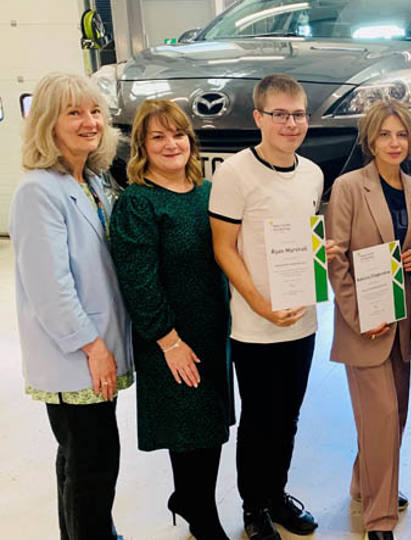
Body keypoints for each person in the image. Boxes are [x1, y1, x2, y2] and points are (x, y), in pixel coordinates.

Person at [209, 74, 337, 540]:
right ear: (259, 117)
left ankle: (277, 495)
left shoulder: (313, 173)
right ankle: (253, 507)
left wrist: (326, 258)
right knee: (261, 419)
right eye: (280, 114)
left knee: (289, 416)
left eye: (298, 114)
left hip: (302, 322)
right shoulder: (234, 173)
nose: (291, 123)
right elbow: (224, 249)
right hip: (255, 326)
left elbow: (303, 243)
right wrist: (261, 306)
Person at [9, 72, 133, 540]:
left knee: (82, 457)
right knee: (93, 463)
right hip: (75, 354)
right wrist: (92, 346)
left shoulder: (92, 180)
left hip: (95, 347)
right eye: (74, 113)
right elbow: (50, 287)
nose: (90, 122)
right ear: (47, 123)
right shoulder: (38, 191)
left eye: (95, 111)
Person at [108, 100, 234, 540]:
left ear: (191, 140)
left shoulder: (208, 193)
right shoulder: (138, 203)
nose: (170, 144)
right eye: (157, 136)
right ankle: (200, 512)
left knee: (212, 427)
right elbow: (138, 282)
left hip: (214, 330)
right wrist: (168, 340)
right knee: (189, 428)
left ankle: (190, 499)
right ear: (141, 145)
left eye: (178, 134)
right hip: (171, 337)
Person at [325, 99, 411, 540]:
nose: (394, 142)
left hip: (402, 320)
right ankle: (380, 519)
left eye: (401, 134)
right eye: (385, 134)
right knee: (381, 416)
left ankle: (365, 483)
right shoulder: (348, 187)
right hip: (364, 324)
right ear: (370, 139)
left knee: (394, 415)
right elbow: (337, 260)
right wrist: (358, 316)